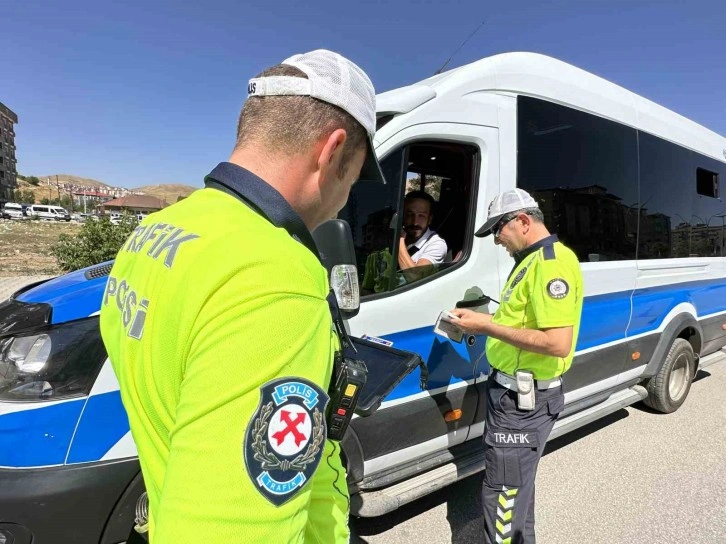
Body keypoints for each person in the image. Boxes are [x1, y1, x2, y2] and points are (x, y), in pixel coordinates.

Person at [99, 49, 384, 544]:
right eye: (354, 180)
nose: (344, 199)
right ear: (332, 151)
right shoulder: (276, 274)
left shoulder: (157, 230)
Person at [448, 188, 583, 544]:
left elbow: (557, 343)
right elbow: (523, 321)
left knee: (503, 495)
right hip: (512, 395)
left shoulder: (551, 264)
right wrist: (482, 318)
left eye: (498, 229)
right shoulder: (530, 261)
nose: (496, 240)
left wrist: (486, 326)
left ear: (522, 221)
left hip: (522, 403)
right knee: (517, 489)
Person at [397, 190, 448, 270]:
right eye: (410, 215)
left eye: (421, 216)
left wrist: (399, 239)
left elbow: (415, 277)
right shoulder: (389, 236)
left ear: (430, 219)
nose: (415, 222)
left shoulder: (436, 244)